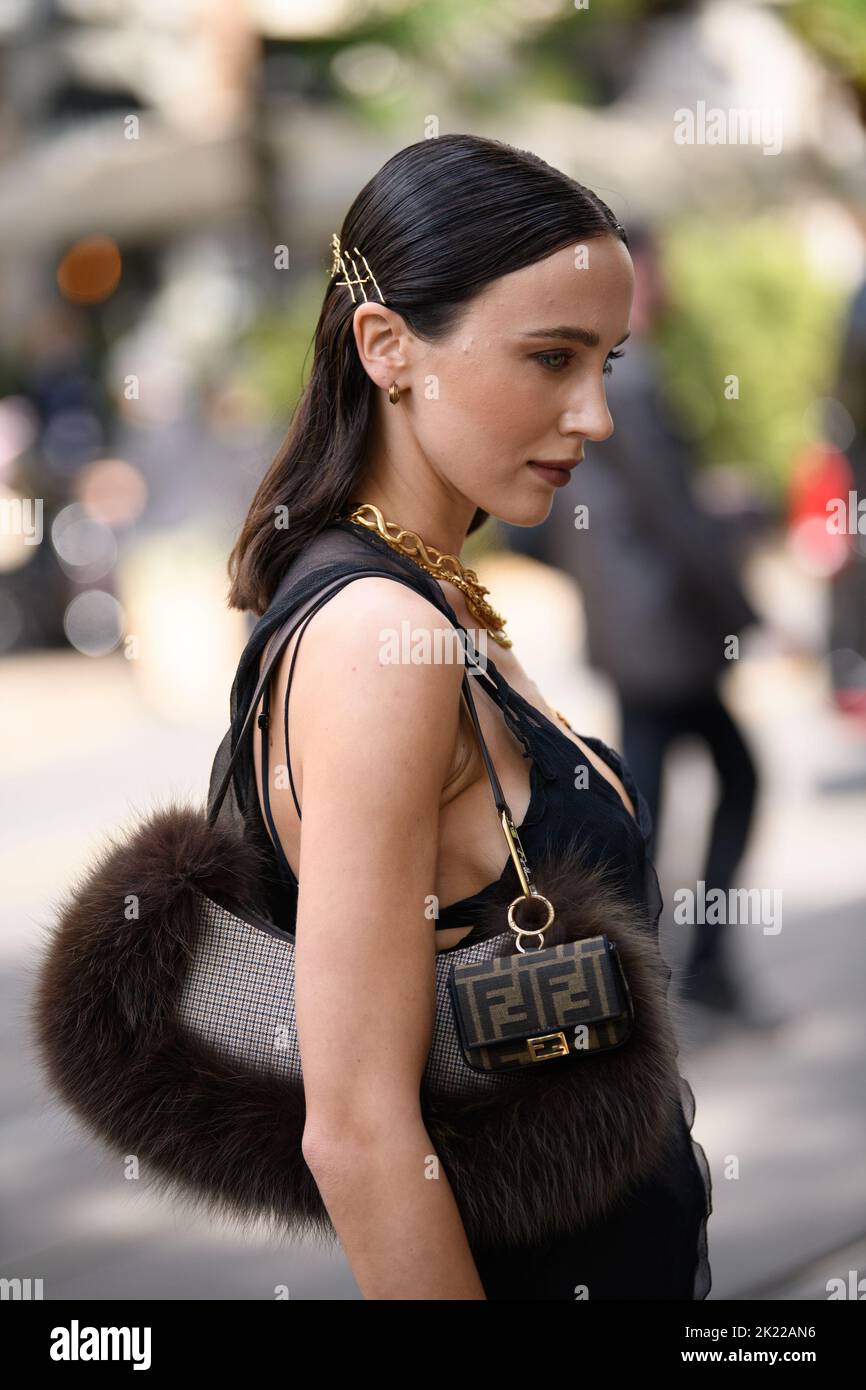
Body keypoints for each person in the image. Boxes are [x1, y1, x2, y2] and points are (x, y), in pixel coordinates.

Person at [216, 134, 711, 1299]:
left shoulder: (426, 591)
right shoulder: (377, 639)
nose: (591, 414)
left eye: (605, 359)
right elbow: (358, 1133)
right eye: (549, 358)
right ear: (386, 348)